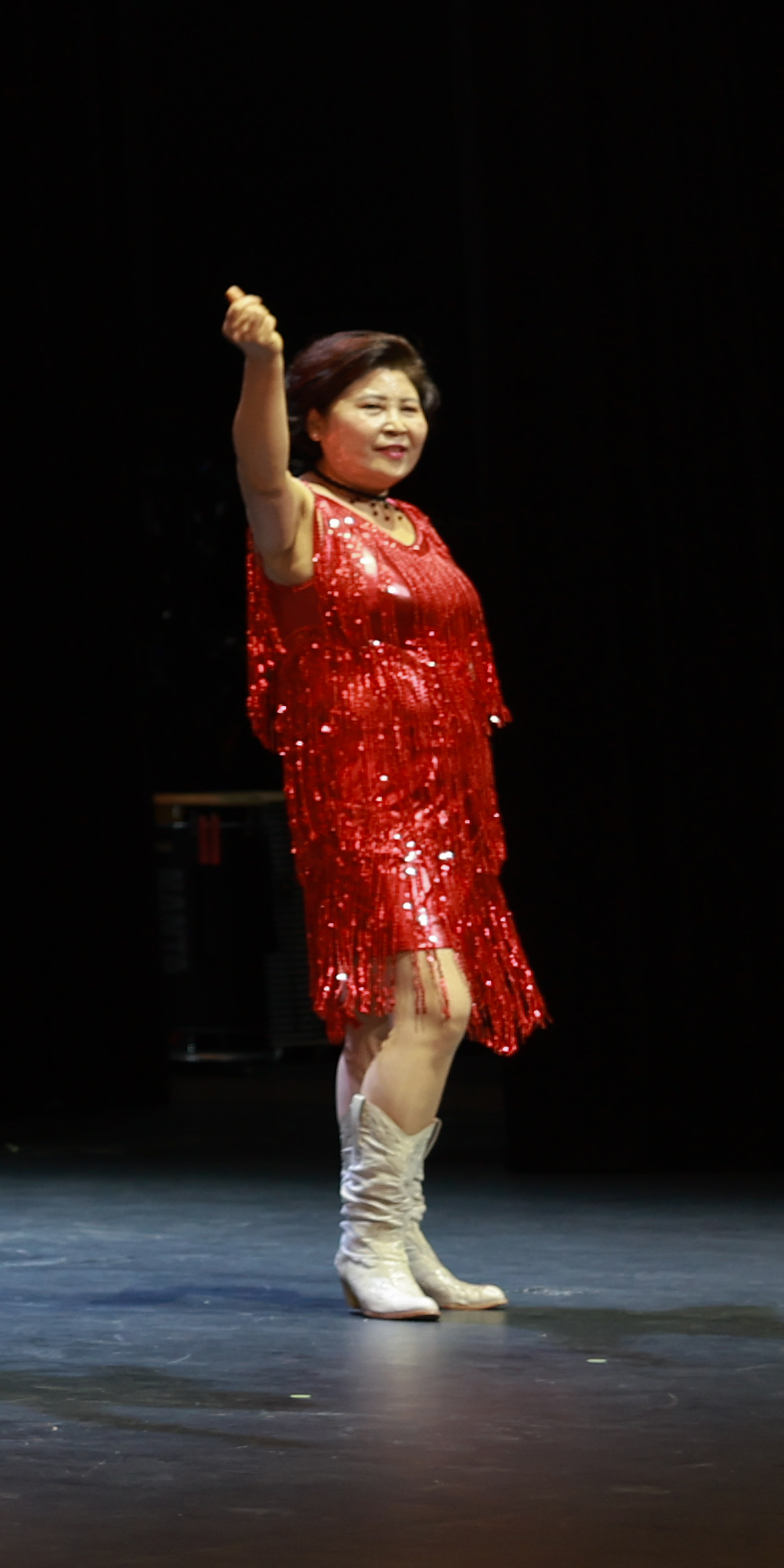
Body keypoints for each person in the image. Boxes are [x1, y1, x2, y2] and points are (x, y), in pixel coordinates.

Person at [225, 287, 539, 1317]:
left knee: (383, 1023)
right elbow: (256, 468)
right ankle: (369, 1241)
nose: (400, 422)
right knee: (432, 1003)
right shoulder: (298, 513)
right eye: (372, 403)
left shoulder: (412, 520)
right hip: (359, 791)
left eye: (410, 404)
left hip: (444, 793)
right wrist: (264, 361)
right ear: (317, 420)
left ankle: (399, 1236)